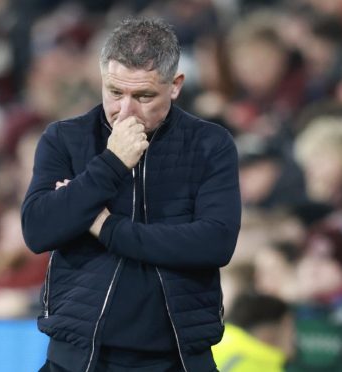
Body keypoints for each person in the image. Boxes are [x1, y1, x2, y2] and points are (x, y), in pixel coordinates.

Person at [21, 17, 241, 372]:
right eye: (114, 92)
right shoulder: (64, 138)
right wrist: (111, 163)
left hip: (178, 359)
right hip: (77, 358)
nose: (125, 110)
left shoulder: (209, 144)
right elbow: (38, 230)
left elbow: (215, 242)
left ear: (176, 85)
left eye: (143, 96)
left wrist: (105, 227)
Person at [212, 292, 295, 372]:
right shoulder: (265, 368)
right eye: (288, 326)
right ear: (267, 332)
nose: (294, 336)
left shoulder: (208, 345)